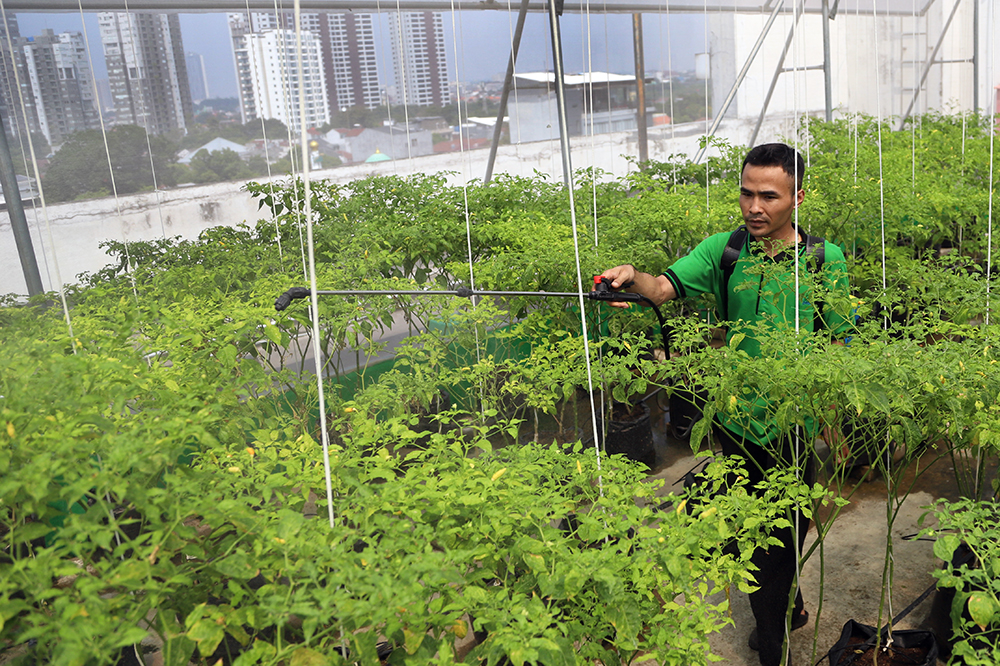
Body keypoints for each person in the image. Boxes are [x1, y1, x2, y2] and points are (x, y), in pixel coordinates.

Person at [600, 143, 852, 666]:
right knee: (757, 533)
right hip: (736, 422)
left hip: (794, 426)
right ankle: (779, 625)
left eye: (769, 195)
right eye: (745, 192)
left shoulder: (825, 261)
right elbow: (664, 287)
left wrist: (838, 428)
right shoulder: (726, 250)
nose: (754, 206)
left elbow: (839, 346)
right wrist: (634, 279)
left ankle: (779, 626)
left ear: (797, 198)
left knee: (782, 532)